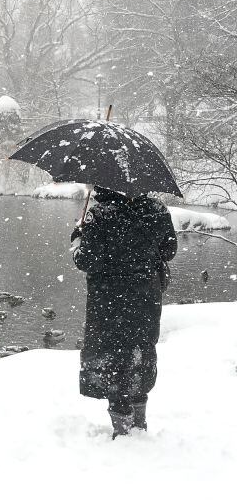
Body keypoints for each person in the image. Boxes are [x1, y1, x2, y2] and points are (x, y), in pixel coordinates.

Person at [71, 186, 177, 438]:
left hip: (109, 299)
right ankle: (138, 423)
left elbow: (87, 260)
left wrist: (77, 239)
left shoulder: (100, 214)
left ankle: (122, 430)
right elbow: (168, 251)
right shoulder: (157, 210)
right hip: (146, 296)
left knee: (113, 355)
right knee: (140, 351)